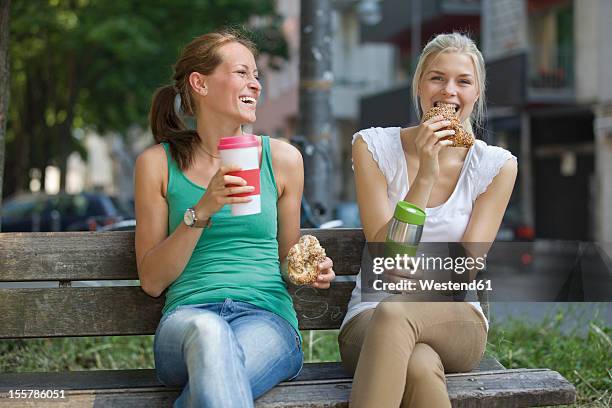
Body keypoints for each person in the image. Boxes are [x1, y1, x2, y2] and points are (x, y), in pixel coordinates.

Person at [134, 30, 335, 408]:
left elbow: (288, 261)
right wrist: (202, 210)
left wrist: (311, 269)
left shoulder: (283, 160)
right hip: (186, 322)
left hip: (267, 320)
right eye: (242, 73)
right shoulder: (157, 164)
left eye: (256, 75)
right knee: (209, 332)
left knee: (215, 381)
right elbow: (152, 280)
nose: (255, 84)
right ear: (200, 83)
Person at [338, 32, 518, 408]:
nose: (449, 90)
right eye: (437, 78)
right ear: (419, 85)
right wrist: (425, 175)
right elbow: (387, 250)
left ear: (477, 93)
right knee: (418, 364)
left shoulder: (496, 166)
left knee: (396, 310)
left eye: (463, 81)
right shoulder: (373, 147)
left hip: (455, 318)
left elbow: (465, 267)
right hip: (369, 317)